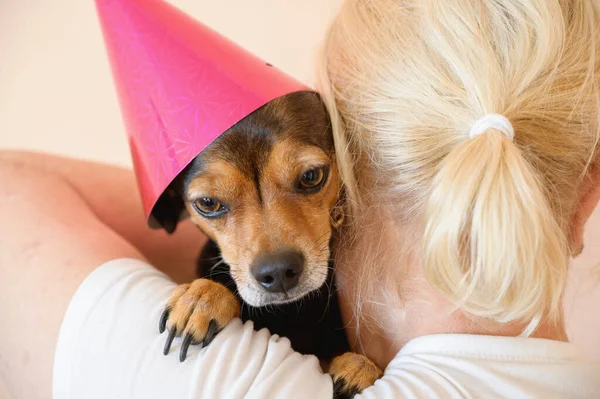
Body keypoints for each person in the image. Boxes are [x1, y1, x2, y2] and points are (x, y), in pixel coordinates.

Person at [0, 1, 599, 398]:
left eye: (311, 179)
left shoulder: (210, 377)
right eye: (214, 205)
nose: (272, 252)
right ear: (586, 193)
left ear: (357, 168)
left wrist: (210, 199)